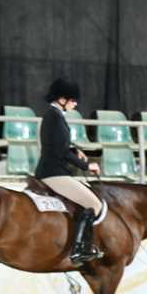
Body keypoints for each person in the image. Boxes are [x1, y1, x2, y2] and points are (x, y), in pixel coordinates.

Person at [34, 78, 106, 265]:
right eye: (73, 100)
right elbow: (61, 151)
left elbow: (57, 144)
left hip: (53, 170)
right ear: (62, 99)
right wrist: (87, 166)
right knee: (94, 204)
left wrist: (74, 150)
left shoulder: (54, 115)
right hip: (54, 173)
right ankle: (79, 250)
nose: (76, 104)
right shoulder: (54, 117)